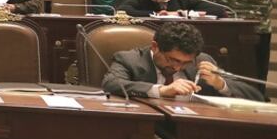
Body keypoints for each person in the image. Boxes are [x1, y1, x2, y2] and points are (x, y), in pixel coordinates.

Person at [102, 22, 265, 101]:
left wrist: (221, 84)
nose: (177, 67)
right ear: (155, 47)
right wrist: (162, 90)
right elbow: (111, 84)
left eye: (185, 63)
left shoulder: (202, 61)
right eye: (172, 59)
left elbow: (256, 97)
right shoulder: (129, 59)